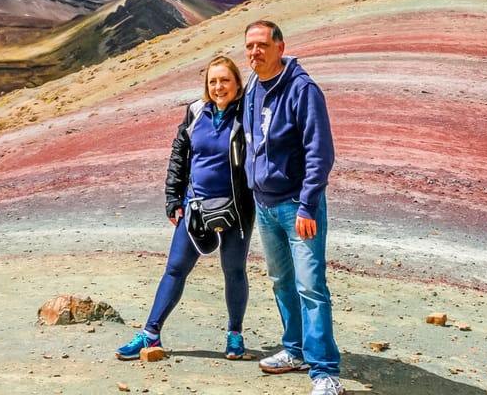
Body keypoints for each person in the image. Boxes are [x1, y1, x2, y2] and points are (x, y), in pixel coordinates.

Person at [116, 56, 255, 361]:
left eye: (225, 80)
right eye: (213, 81)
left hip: (236, 210)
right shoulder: (195, 111)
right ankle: (150, 334)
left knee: (233, 271)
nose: (219, 87)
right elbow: (179, 154)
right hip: (194, 207)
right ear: (207, 85)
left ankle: (235, 335)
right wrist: (172, 197)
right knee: (176, 269)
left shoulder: (247, 113)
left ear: (237, 84)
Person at [242, 20, 344, 395]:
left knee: (311, 286)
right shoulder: (252, 85)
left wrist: (307, 206)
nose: (255, 52)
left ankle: (324, 371)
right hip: (265, 206)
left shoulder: (303, 90)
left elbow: (320, 154)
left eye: (263, 45)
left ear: (280, 47)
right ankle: (294, 350)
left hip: (298, 207)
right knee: (282, 281)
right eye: (250, 46)